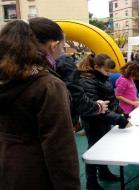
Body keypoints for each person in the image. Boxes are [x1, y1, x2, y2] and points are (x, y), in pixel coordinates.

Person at [0, 18, 80, 189]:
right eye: (63, 46)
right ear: (53, 45)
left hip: (7, 167)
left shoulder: (7, 76)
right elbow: (60, 148)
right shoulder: (48, 85)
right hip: (36, 173)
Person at [78, 53, 131, 190]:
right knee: (93, 150)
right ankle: (91, 182)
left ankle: (104, 172)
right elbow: (96, 108)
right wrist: (119, 119)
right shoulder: (87, 80)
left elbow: (111, 101)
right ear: (96, 66)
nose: (109, 74)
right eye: (106, 71)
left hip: (104, 120)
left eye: (110, 72)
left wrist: (122, 112)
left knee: (103, 148)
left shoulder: (103, 79)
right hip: (93, 121)